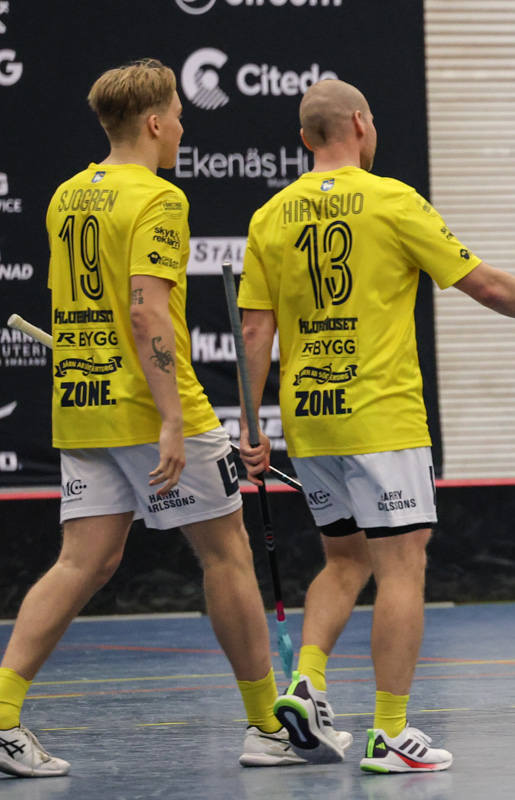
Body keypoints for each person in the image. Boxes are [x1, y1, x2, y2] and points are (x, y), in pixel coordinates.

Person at [236, 79, 515, 774]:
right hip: (382, 417)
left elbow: (256, 330)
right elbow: (482, 284)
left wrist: (254, 428)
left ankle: (306, 684)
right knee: (403, 566)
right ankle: (390, 732)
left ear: (305, 138)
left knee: (345, 560)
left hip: (310, 420)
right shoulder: (392, 200)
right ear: (359, 124)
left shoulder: (270, 216)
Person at [0, 59, 305, 779]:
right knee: (226, 553)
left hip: (83, 404)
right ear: (156, 122)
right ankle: (268, 728)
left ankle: (2, 716)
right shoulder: (160, 199)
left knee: (85, 561)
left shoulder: (67, 195)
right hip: (149, 407)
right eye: (179, 117)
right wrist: (171, 418)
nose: (184, 129)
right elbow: (145, 312)